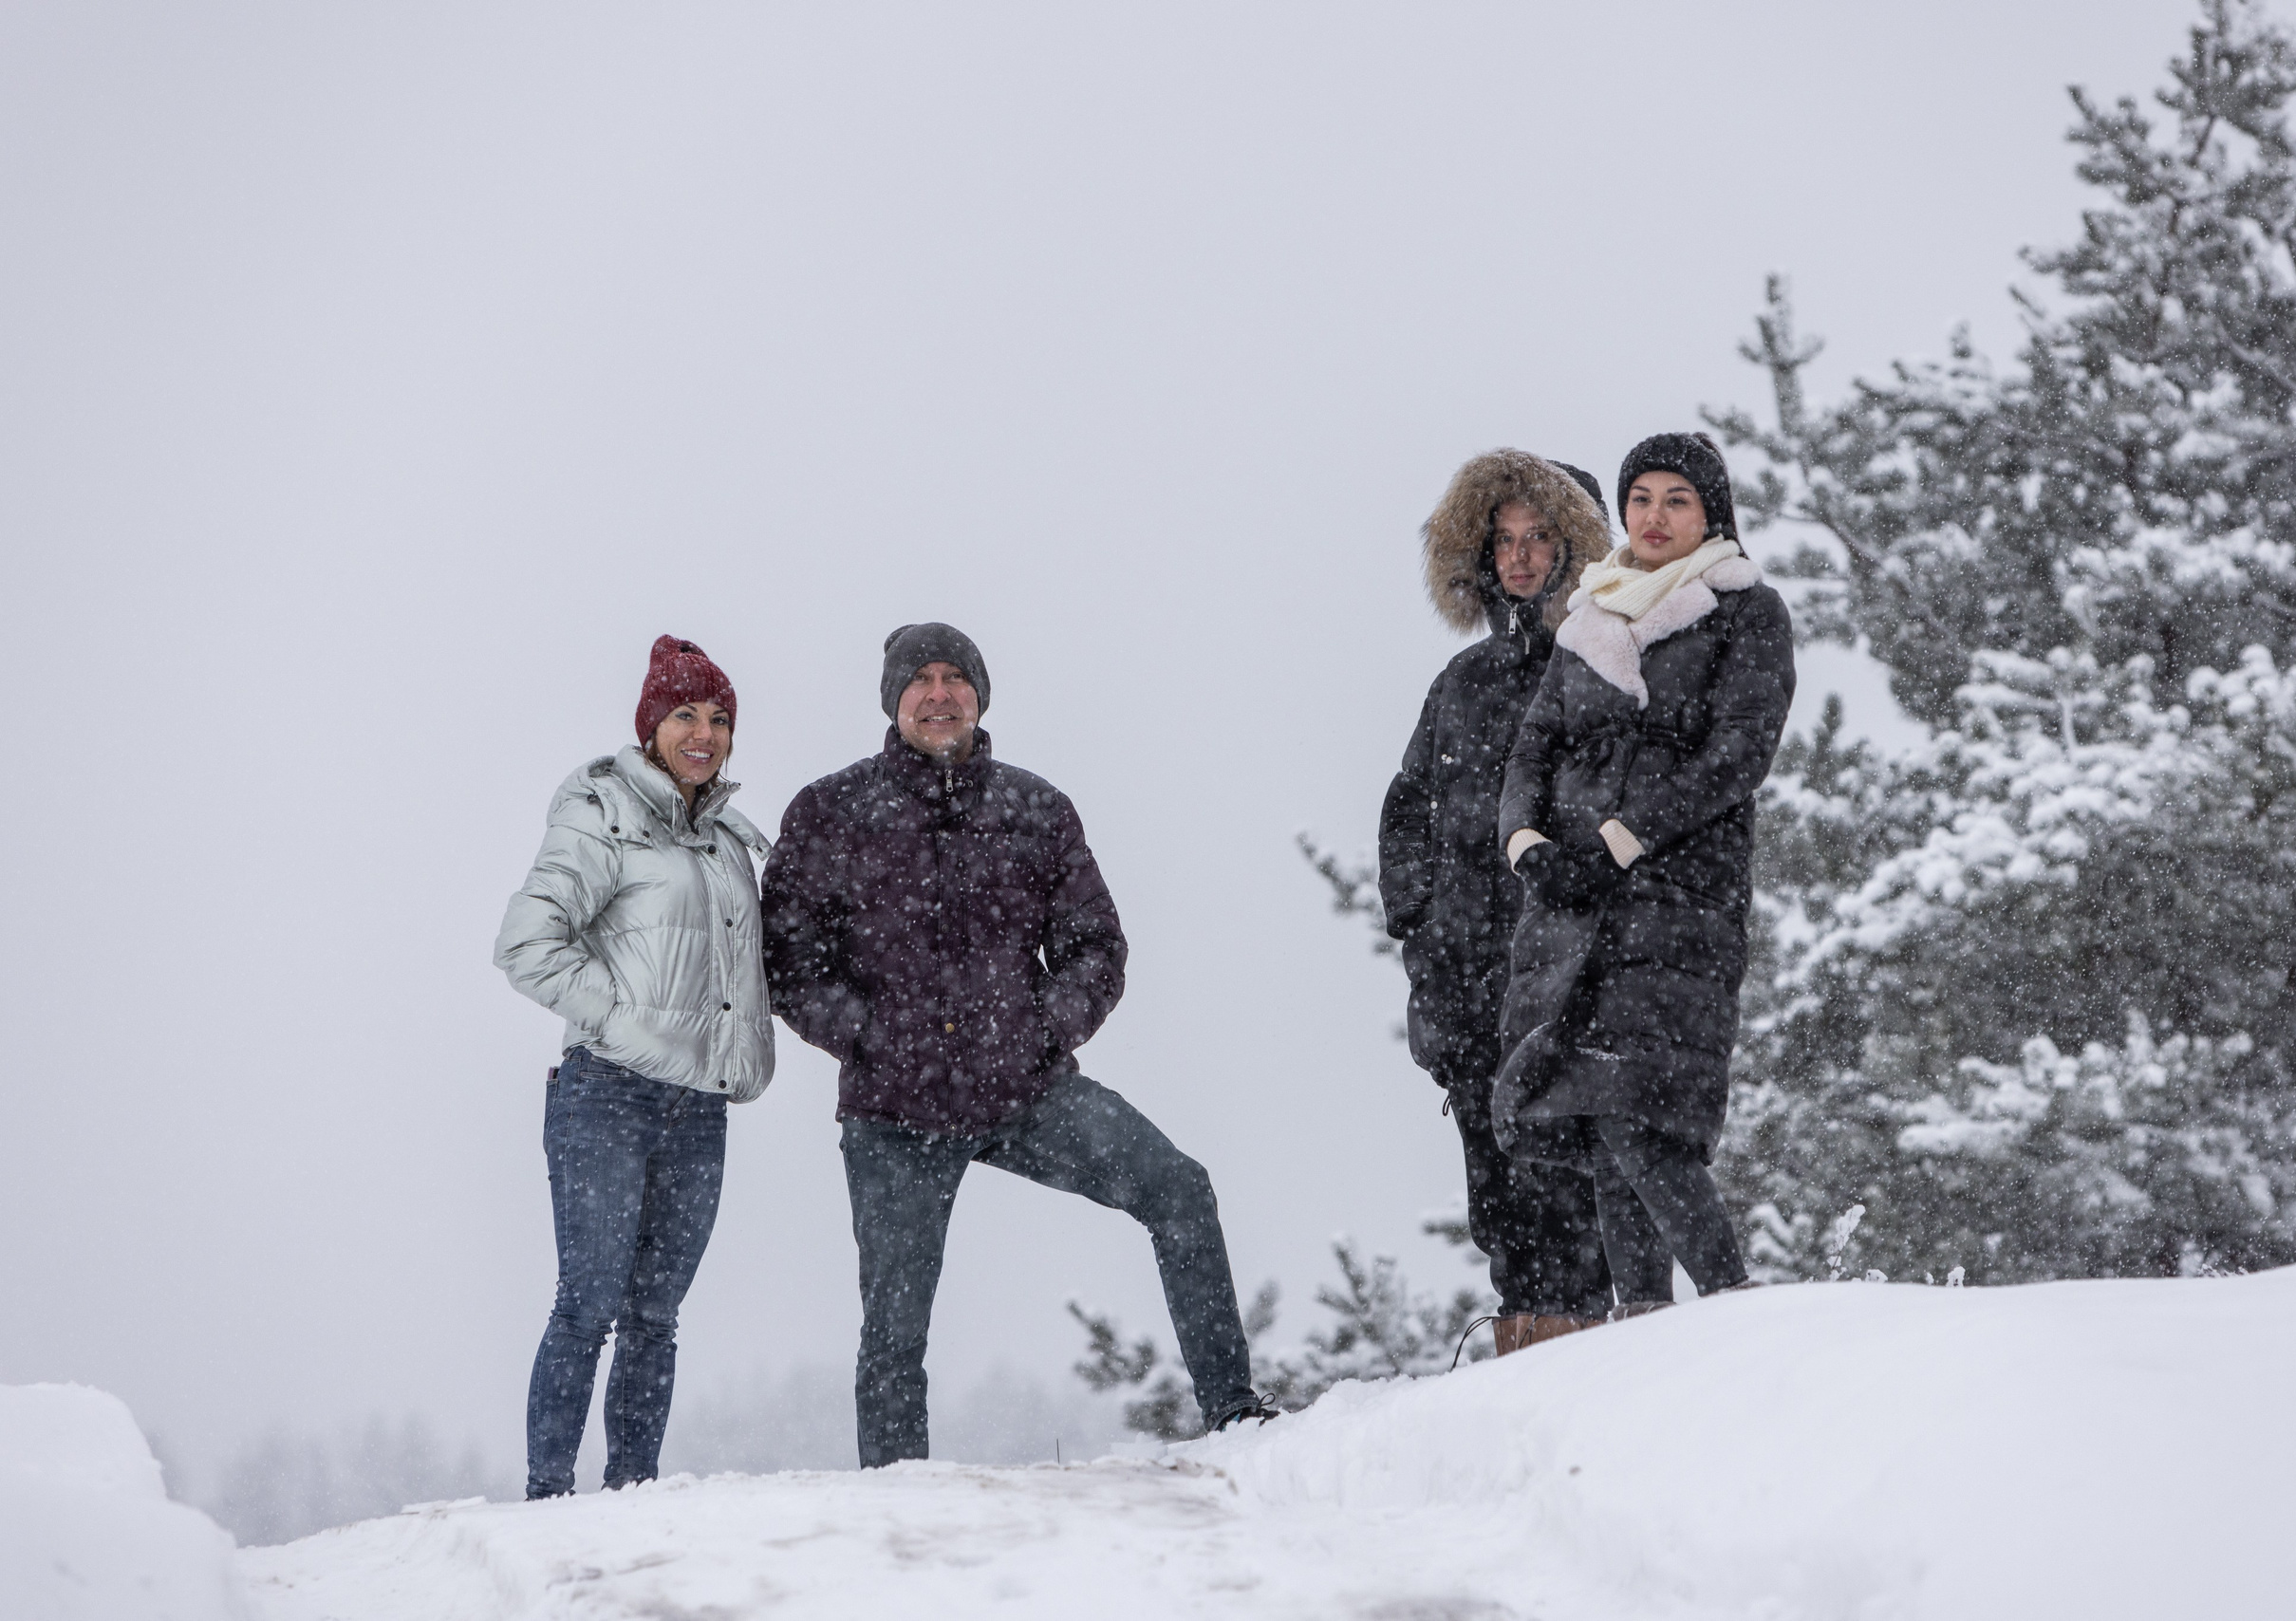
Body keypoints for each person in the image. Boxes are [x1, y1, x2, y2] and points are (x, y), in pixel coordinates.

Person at [761, 623, 1274, 1467]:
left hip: (1024, 1090)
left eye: (955, 677)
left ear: (980, 696)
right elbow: (789, 960)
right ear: (893, 700)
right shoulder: (832, 811)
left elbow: (1096, 946)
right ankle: (898, 1500)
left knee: (1180, 1191)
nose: (938, 693)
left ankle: (1237, 1419)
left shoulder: (1034, 809)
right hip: (896, 1109)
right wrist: (869, 1038)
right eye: (920, 679)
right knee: (894, 1329)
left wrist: (1043, 1030)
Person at [1495, 433, 1795, 1315]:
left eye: (1677, 501)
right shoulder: (1589, 616)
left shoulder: (1746, 611)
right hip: (1570, 909)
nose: (1656, 517)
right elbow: (1530, 750)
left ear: (1711, 516)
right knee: (1596, 1122)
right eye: (1642, 499)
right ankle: (1644, 1328)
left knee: (1641, 1114)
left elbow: (1737, 755)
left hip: (1676, 899)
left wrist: (1621, 840)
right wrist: (1529, 847)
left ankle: (1737, 1306)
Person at [495, 635, 775, 1498]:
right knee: (587, 1308)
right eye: (685, 714)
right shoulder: (601, 813)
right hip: (607, 1096)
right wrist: (623, 1027)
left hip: (699, 1110)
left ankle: (634, 1499)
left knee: (655, 1318)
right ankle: (547, 1497)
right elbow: (526, 945)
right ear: (650, 725)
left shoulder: (729, 841)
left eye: (720, 718)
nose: (704, 733)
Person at [1378, 449, 1617, 1357]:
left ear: (1578, 546)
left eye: (1539, 536)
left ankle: (1608, 1366)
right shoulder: (1461, 687)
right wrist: (1424, 940)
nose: (1517, 557)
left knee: (1590, 1199)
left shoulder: (1609, 667)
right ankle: (1523, 1364)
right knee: (1504, 1204)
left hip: (1577, 983)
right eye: (1502, 539)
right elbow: (1405, 822)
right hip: (1471, 987)